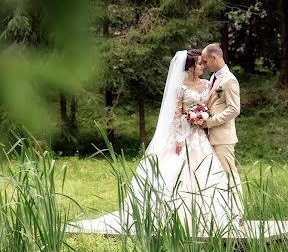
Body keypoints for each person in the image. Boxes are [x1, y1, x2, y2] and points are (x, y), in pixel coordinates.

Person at [68, 49, 241, 234]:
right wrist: (179, 138)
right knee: (180, 171)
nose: (203, 66)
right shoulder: (180, 87)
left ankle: (216, 215)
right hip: (185, 131)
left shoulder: (208, 84)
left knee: (207, 171)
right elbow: (175, 115)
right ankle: (177, 216)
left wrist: (202, 116)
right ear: (190, 66)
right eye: (200, 63)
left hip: (201, 134)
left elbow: (210, 106)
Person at [201, 43, 243, 214]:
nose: (204, 65)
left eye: (205, 61)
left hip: (223, 137)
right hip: (210, 137)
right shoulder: (213, 78)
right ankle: (223, 213)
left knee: (229, 175)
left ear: (214, 57)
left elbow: (234, 109)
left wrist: (210, 122)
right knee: (216, 177)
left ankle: (239, 213)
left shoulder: (229, 79)